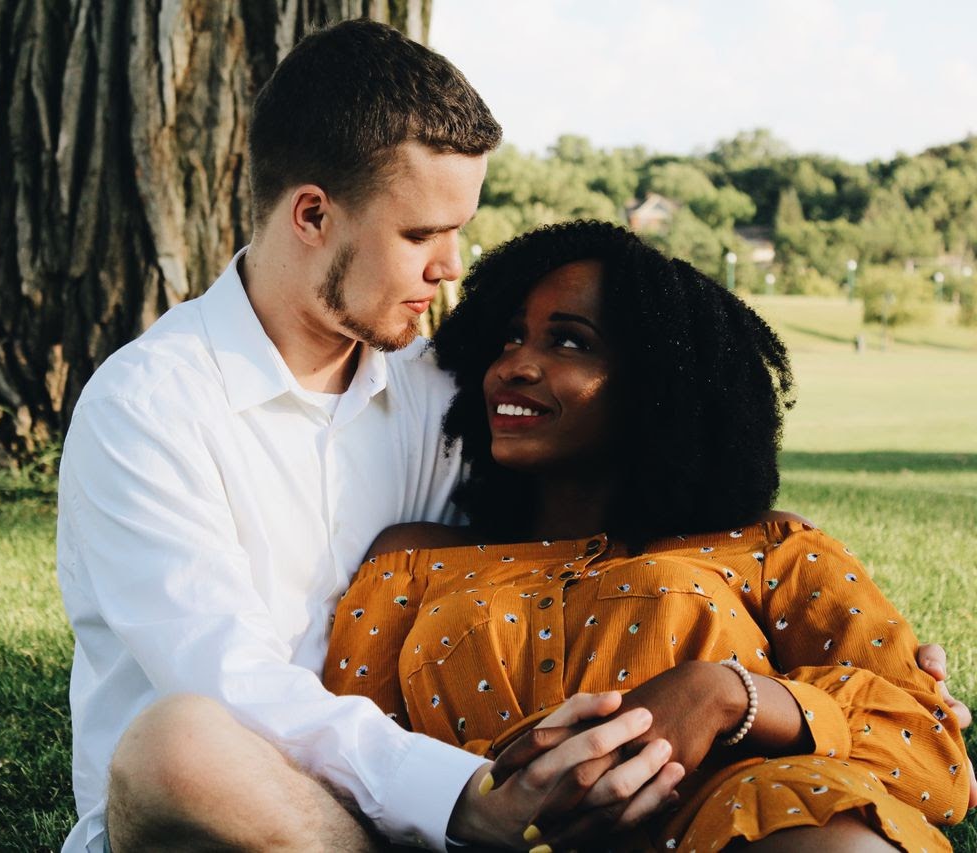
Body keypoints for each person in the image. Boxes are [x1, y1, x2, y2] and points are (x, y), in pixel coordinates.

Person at [57, 19, 971, 853]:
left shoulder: (439, 391)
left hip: (460, 808)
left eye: (461, 228)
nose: (453, 266)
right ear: (312, 214)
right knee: (179, 741)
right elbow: (227, 681)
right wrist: (466, 794)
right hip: (264, 813)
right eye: (424, 233)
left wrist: (772, 563)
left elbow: (601, 482)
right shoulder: (149, 407)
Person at [323, 220, 974, 851]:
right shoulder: (411, 560)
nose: (514, 365)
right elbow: (345, 759)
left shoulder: (771, 549)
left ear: (656, 386)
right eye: (511, 338)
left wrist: (723, 695)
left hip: (734, 824)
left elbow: (930, 752)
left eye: (569, 342)